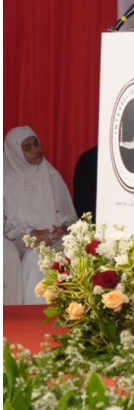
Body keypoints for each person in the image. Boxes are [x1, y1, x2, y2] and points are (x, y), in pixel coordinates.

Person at [3, 127, 77, 305]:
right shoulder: (5, 180)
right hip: (16, 239)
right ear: (15, 153)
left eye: (36, 143)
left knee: (49, 254)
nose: (36, 149)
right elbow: (6, 223)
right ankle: (23, 315)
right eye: (27, 148)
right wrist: (31, 232)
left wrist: (63, 228)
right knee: (32, 257)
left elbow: (68, 215)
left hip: (51, 238)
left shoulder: (51, 174)